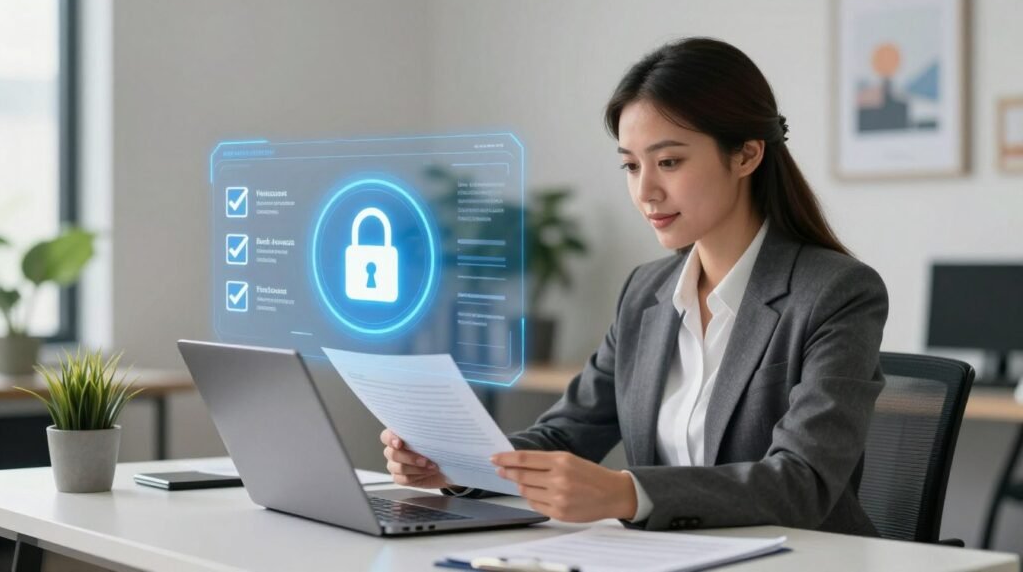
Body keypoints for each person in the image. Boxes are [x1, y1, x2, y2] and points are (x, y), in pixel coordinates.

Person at [379, 37, 888, 536]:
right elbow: (568, 433)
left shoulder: (837, 292)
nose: (645, 191)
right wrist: (460, 466)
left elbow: (802, 482)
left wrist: (627, 493)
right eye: (630, 165)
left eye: (669, 162)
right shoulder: (646, 291)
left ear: (746, 156)